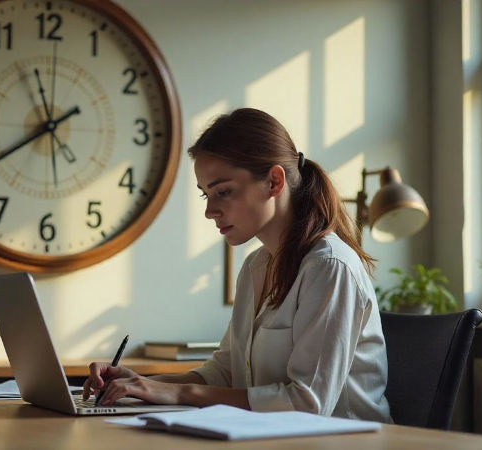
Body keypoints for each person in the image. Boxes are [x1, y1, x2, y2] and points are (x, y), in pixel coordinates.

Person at [83, 108, 392, 422]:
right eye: (206, 194)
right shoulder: (255, 267)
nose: (210, 210)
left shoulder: (330, 267)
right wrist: (140, 384)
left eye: (223, 192)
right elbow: (225, 373)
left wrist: (180, 393)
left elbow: (307, 403)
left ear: (274, 181)